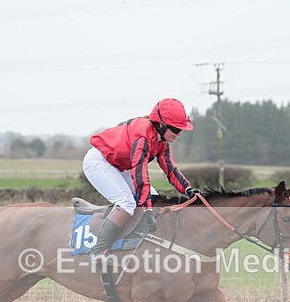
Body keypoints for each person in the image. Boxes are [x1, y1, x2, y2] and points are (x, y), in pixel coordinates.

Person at [83, 97, 202, 258]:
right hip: (99, 162)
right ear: (161, 124)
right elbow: (140, 174)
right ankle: (98, 250)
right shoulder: (143, 136)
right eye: (176, 129)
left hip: (118, 165)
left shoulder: (161, 141)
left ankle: (137, 243)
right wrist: (146, 209)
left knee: (154, 197)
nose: (179, 133)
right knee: (127, 203)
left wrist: (188, 189)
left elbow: (170, 168)